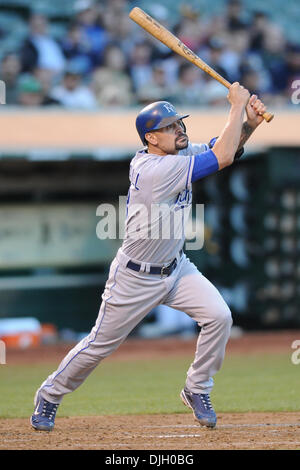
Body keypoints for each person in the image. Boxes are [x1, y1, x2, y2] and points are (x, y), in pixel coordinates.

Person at [30, 82, 267, 431]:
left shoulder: (178, 154)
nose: (179, 130)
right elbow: (222, 157)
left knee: (219, 316)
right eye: (169, 127)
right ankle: (50, 395)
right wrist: (235, 107)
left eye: (178, 123)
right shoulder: (153, 170)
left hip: (176, 268)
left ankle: (196, 388)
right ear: (151, 139)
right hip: (135, 277)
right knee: (99, 345)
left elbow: (224, 146)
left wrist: (248, 124)